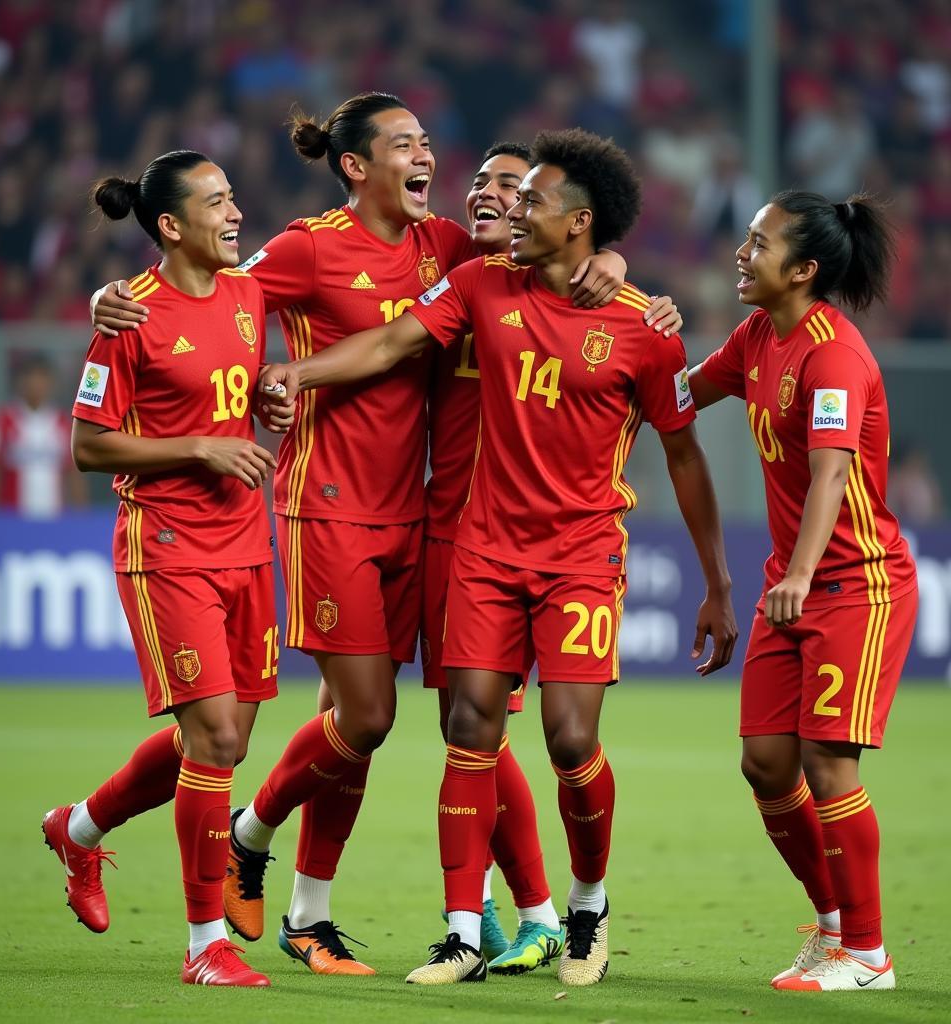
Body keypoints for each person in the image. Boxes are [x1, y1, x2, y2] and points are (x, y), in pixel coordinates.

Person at [88, 93, 680, 976]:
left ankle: (379, 907)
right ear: (359, 166)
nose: (489, 197)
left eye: (513, 192)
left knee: (457, 726)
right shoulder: (309, 245)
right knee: (367, 717)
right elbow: (209, 279)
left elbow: (565, 257)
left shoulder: (456, 252)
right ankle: (273, 851)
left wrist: (619, 264)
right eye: (412, 147)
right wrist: (117, 291)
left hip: (446, 521)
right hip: (329, 503)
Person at [258, 127, 738, 987]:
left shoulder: (636, 323)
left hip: (578, 552)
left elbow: (684, 450)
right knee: (456, 727)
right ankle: (458, 928)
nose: (506, 204)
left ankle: (577, 907)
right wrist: (300, 373)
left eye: (526, 195)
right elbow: (392, 341)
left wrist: (719, 581)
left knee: (563, 739)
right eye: (491, 189)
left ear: (579, 222)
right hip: (462, 538)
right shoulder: (470, 275)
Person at [43, 150, 295, 987]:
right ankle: (203, 946)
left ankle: (78, 829)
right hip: (168, 549)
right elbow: (86, 445)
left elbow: (235, 382)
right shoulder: (127, 316)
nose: (236, 213)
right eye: (218, 202)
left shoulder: (249, 292)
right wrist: (197, 446)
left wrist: (266, 398)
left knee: (221, 741)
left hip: (247, 545)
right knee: (216, 738)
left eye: (234, 195)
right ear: (170, 225)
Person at [688, 191, 919, 992]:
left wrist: (797, 574)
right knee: (764, 763)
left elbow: (832, 473)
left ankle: (869, 953)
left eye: (758, 242)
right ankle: (831, 925)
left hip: (855, 583)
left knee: (829, 768)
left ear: (805, 268)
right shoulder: (757, 335)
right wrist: (619, 343)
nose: (742, 254)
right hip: (791, 586)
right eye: (746, 239)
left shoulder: (834, 355)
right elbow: (680, 393)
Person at [0, 353, 88, 517]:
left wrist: (81, 516)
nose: (35, 384)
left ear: (51, 383)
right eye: (30, 377)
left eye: (41, 378)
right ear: (19, 382)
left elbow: (74, 474)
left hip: (54, 519)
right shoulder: (2, 421)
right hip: (12, 519)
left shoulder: (64, 423)